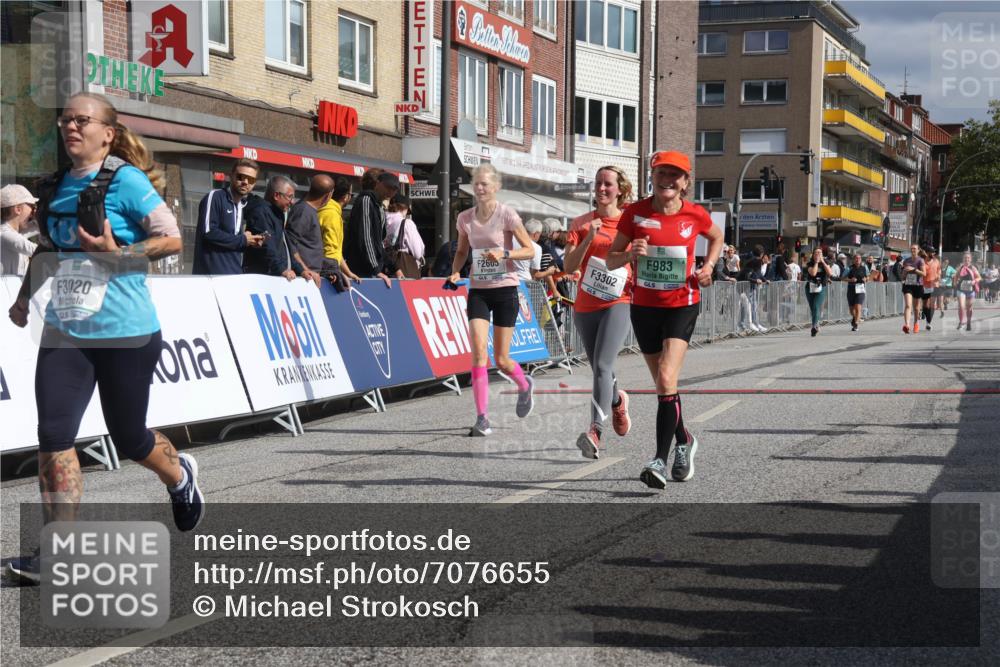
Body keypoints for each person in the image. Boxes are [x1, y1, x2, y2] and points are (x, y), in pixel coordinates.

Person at [6, 93, 201, 583]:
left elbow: (172, 238)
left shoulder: (126, 181)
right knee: (53, 434)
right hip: (65, 329)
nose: (70, 126)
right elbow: (46, 249)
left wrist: (122, 252)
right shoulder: (52, 188)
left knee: (130, 438)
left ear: (107, 133)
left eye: (81, 119)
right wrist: (26, 298)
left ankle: (180, 478)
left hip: (126, 331)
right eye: (65, 119)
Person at [605, 150, 723, 489]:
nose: (667, 180)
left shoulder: (694, 214)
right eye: (661, 173)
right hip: (644, 306)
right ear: (652, 177)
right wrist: (630, 254)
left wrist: (708, 268)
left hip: (681, 304)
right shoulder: (634, 213)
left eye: (675, 175)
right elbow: (612, 260)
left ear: (685, 182)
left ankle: (659, 458)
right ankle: (685, 441)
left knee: (668, 376)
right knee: (664, 385)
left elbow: (716, 237)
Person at [446, 163, 538, 437]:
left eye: (485, 184)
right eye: (477, 184)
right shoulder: (464, 218)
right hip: (478, 290)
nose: (480, 188)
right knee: (477, 353)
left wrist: (505, 255)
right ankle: (482, 418)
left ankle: (524, 386)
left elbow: (529, 250)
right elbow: (462, 250)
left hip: (505, 289)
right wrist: (453, 272)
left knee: (501, 358)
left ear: (496, 187)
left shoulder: (507, 214)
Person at [563, 166, 635, 459]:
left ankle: (594, 430)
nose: (602, 189)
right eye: (598, 184)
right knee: (599, 369)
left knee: (603, 367)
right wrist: (586, 240)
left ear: (620, 189)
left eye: (608, 184)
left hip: (618, 301)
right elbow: (568, 268)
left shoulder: (629, 223)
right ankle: (617, 401)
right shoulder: (581, 223)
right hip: (586, 305)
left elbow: (638, 257)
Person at [242, 175, 320, 285]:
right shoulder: (261, 212)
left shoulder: (278, 214)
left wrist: (301, 270)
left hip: (276, 278)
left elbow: (285, 248)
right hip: (263, 281)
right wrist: (281, 269)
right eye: (289, 197)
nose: (292, 202)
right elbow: (266, 247)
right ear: (276, 195)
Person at [192, 158, 263, 275]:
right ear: (231, 176)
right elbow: (209, 233)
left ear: (254, 184)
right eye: (240, 177)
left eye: (250, 179)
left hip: (234, 276)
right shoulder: (215, 197)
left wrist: (250, 243)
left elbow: (232, 243)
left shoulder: (242, 205)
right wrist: (243, 239)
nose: (245, 182)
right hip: (210, 279)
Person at [343, 169, 399, 284]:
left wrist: (395, 268)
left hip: (371, 270)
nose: (390, 192)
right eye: (388, 187)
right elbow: (365, 238)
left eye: (394, 189)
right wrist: (375, 270)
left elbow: (378, 243)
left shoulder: (379, 206)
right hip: (362, 271)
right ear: (377, 183)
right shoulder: (366, 201)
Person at [285, 173, 334, 279]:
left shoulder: (308, 210)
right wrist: (305, 270)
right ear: (328, 195)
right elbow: (290, 244)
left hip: (311, 277)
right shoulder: (303, 211)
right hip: (303, 279)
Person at [318, 176, 360, 283]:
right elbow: (330, 250)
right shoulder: (332, 215)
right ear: (345, 197)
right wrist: (335, 272)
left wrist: (348, 273)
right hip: (326, 274)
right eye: (351, 195)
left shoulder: (324, 209)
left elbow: (336, 252)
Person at [1, 184, 39, 276]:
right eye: (32, 207)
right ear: (18, 209)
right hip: (8, 289)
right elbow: (38, 251)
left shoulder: (13, 233)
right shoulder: (5, 235)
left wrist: (39, 218)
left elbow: (39, 227)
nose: (33, 212)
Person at [384, 194, 425, 279]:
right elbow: (417, 252)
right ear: (404, 208)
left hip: (385, 268)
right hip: (404, 269)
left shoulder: (382, 221)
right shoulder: (407, 223)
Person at [805, 248, 831, 337]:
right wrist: (816, 262)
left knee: (816, 306)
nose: (818, 254)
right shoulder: (810, 263)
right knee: (813, 308)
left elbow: (830, 273)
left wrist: (823, 262)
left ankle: (814, 326)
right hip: (810, 287)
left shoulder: (826, 262)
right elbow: (813, 273)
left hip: (821, 287)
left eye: (820, 253)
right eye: (816, 253)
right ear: (813, 255)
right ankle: (816, 323)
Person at [900, 243, 925, 334]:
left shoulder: (920, 260)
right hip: (908, 285)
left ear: (918, 250)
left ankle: (916, 323)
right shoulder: (906, 261)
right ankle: (907, 325)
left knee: (917, 308)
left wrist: (913, 269)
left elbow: (924, 274)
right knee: (908, 305)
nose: (913, 250)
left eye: (915, 249)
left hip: (918, 285)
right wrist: (904, 274)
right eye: (912, 249)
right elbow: (903, 276)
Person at [954, 252, 981, 331]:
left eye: (968, 258)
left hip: (970, 290)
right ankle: (961, 322)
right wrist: (955, 283)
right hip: (961, 290)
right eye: (965, 258)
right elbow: (956, 276)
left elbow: (979, 277)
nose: (966, 259)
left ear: (970, 259)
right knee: (961, 306)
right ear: (963, 259)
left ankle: (968, 323)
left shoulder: (973, 268)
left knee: (969, 308)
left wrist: (974, 281)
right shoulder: (960, 267)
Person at [844, 253, 868, 332]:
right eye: (856, 258)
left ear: (861, 260)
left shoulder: (864, 268)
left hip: (860, 289)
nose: (858, 260)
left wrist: (866, 279)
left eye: (859, 258)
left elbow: (868, 276)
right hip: (851, 289)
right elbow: (842, 278)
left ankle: (856, 324)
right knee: (851, 310)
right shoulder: (849, 268)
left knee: (858, 307)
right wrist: (850, 280)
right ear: (853, 260)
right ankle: (855, 318)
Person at [920, 246, 940, 331]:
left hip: (934, 285)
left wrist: (938, 275)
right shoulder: (922, 262)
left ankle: (929, 323)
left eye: (934, 252)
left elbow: (939, 270)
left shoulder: (936, 261)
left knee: (932, 304)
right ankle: (927, 318)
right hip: (925, 285)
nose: (933, 253)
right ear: (927, 252)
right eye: (932, 252)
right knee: (925, 305)